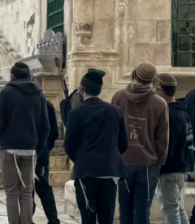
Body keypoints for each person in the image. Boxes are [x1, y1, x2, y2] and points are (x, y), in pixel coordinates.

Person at [64, 69, 127, 224]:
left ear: (82, 89)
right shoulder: (115, 111)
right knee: (107, 218)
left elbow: (69, 145)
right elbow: (123, 144)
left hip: (86, 172)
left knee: (88, 218)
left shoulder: (76, 113)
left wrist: (81, 159)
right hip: (109, 171)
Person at [111, 62, 170, 224]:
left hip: (123, 162)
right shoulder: (159, 103)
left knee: (125, 210)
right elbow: (162, 138)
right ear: (154, 79)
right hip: (148, 165)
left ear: (134, 74)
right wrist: (159, 160)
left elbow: (112, 130)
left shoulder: (118, 97)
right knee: (142, 211)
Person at [0, 62, 50, 224]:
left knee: (11, 193)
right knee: (26, 193)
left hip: (9, 149)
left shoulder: (6, 92)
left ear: (12, 75)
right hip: (29, 149)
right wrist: (37, 147)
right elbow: (45, 126)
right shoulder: (38, 93)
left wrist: (1, 140)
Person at [157, 74, 193, 224]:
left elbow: (168, 146)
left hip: (170, 170)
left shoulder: (168, 115)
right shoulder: (182, 111)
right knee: (177, 207)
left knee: (170, 209)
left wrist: (160, 164)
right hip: (182, 167)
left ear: (159, 89)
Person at [35, 94, 60, 224]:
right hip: (42, 151)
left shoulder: (24, 103)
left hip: (26, 149)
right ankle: (53, 218)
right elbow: (54, 132)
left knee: (26, 187)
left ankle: (27, 217)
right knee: (43, 185)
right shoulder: (47, 105)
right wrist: (47, 147)